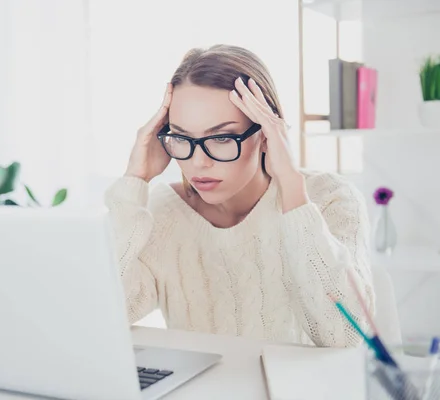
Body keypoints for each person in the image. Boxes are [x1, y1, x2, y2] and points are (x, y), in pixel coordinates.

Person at [104, 44, 375, 347]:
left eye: (221, 137)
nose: (198, 162)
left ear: (265, 134)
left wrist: (291, 186)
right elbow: (102, 314)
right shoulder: (162, 213)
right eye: (181, 138)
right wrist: (135, 180)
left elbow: (345, 338)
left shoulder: (331, 198)